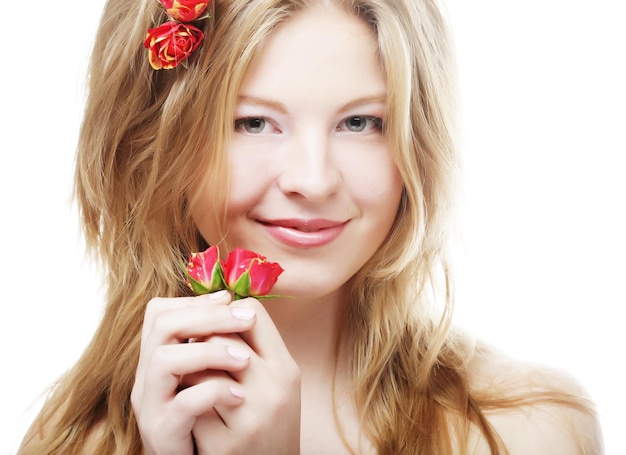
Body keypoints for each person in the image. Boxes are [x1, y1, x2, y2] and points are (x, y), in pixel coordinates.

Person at [19, 0, 603, 453]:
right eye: (251, 122)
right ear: (154, 142)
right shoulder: (71, 439)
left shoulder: (527, 429)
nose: (313, 179)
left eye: (360, 122)